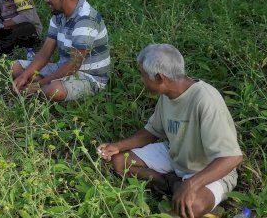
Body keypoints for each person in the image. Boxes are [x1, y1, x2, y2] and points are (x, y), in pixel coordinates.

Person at [98, 44, 243, 218]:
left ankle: (184, 189)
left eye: (143, 75)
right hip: (175, 154)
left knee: (191, 207)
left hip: (209, 169)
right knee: (120, 162)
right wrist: (117, 146)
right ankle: (172, 184)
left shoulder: (206, 100)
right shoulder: (167, 96)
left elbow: (232, 157)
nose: (142, 80)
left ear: (160, 78)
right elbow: (152, 131)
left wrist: (192, 185)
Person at [11, 0, 110, 101]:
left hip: (88, 77)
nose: (46, 0)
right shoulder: (58, 16)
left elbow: (74, 65)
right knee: (15, 68)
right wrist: (25, 75)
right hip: (62, 68)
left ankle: (37, 89)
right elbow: (45, 53)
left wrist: (39, 83)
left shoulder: (85, 19)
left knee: (54, 90)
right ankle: (35, 87)